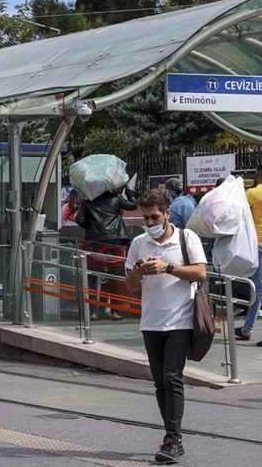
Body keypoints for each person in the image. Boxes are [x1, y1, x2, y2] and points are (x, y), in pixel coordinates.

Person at [125, 189, 206, 464]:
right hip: (151, 322)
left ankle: (172, 440)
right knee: (160, 382)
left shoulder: (186, 237)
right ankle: (175, 437)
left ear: (167, 214)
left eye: (154, 217)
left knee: (172, 377)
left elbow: (200, 272)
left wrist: (167, 267)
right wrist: (138, 271)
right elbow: (131, 286)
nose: (149, 223)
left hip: (181, 320)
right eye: (145, 218)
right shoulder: (138, 243)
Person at [76, 185, 138, 321]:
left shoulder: (88, 201)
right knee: (115, 276)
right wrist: (129, 191)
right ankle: (115, 312)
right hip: (114, 241)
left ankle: (93, 312)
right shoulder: (115, 198)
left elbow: (79, 219)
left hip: (94, 242)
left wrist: (92, 227)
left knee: (92, 276)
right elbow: (134, 205)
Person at [236, 167, 262, 345]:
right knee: (259, 292)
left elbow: (236, 212)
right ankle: (247, 329)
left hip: (258, 246)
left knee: (260, 289)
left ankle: (247, 328)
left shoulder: (253, 193)